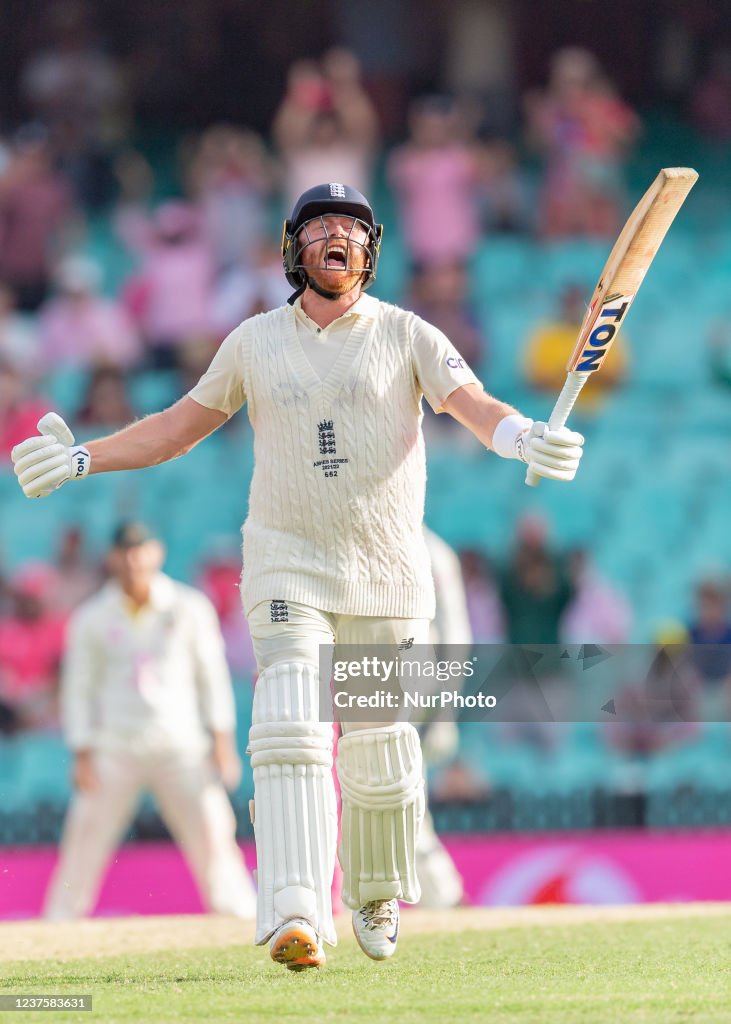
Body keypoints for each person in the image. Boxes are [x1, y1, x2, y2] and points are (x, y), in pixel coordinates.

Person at [11, 183, 584, 970]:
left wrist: (522, 438)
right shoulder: (252, 341)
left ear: (371, 248)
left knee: (378, 749)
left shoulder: (408, 332)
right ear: (294, 249)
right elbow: (179, 427)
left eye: (351, 227)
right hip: (287, 560)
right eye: (320, 227)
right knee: (287, 723)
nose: (337, 237)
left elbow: (473, 404)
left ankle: (375, 892)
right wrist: (85, 456)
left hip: (385, 570)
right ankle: (292, 909)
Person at [42, 521, 257, 921]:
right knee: (84, 837)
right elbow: (79, 689)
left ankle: (239, 917)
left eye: (140, 549)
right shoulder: (92, 617)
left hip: (181, 745)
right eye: (124, 550)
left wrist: (222, 743)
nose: (133, 559)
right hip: (114, 748)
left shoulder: (188, 606)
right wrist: (82, 753)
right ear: (111, 557)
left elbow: (211, 677)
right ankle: (61, 920)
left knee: (213, 833)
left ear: (157, 553)